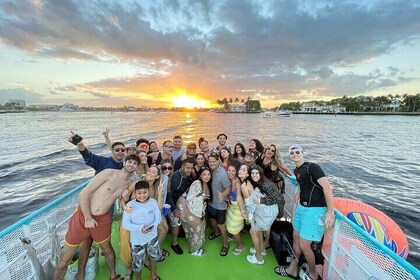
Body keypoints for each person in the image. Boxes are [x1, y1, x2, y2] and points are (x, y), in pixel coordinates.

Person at [54, 154, 140, 280]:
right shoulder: (108, 173)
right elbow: (84, 193)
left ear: (137, 167)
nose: (131, 165)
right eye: (129, 161)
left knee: (107, 250)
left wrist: (126, 199)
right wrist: (88, 218)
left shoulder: (129, 184)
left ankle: (113, 275)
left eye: (134, 163)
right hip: (83, 216)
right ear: (124, 162)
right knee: (64, 260)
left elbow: (125, 199)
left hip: (103, 218)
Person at [274, 145, 335, 280]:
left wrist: (330, 212)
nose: (295, 154)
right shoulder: (297, 170)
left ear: (303, 153)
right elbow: (305, 183)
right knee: (295, 237)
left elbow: (327, 187)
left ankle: (313, 273)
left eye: (297, 152)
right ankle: (292, 269)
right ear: (290, 155)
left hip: (315, 211)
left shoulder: (312, 167)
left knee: (304, 244)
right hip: (302, 208)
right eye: (292, 152)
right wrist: (300, 192)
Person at [122, 181, 162, 280]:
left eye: (145, 192)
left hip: (152, 236)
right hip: (137, 240)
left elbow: (158, 217)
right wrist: (140, 228)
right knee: (137, 263)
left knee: (153, 257)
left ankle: (153, 274)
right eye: (139, 193)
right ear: (135, 193)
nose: (142, 195)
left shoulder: (153, 202)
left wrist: (154, 226)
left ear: (149, 192)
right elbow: (125, 224)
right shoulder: (130, 205)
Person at [247, 166, 284, 265]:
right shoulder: (259, 182)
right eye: (252, 173)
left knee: (253, 231)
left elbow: (279, 198)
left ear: (261, 174)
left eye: (256, 173)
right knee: (257, 228)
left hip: (270, 212)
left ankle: (259, 258)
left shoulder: (265, 184)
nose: (254, 175)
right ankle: (262, 249)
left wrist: (261, 200)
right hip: (265, 210)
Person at [176, 167, 211, 256]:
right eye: (204, 174)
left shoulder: (206, 184)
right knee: (197, 227)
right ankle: (193, 250)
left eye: (208, 174)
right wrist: (202, 198)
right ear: (200, 175)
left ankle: (194, 245)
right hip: (184, 205)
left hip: (194, 206)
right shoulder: (197, 183)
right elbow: (189, 199)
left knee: (200, 225)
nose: (206, 176)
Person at [166, 158, 194, 255]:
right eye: (187, 168)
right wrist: (173, 210)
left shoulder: (189, 175)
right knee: (176, 222)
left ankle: (180, 232)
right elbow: (168, 195)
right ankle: (174, 243)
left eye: (191, 168)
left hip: (182, 201)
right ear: (182, 167)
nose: (189, 170)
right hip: (173, 203)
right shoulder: (176, 178)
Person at [207, 153, 231, 257]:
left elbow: (228, 187)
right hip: (211, 202)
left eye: (214, 161)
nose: (212, 163)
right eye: (210, 161)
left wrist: (223, 195)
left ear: (218, 161)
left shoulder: (223, 174)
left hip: (221, 204)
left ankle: (225, 244)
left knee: (221, 225)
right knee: (212, 219)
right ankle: (216, 232)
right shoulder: (210, 170)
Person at [225, 161, 247, 255]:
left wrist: (242, 211)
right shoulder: (229, 179)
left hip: (239, 206)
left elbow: (238, 197)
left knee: (232, 227)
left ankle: (241, 245)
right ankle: (234, 236)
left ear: (237, 171)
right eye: (229, 170)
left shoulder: (237, 182)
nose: (230, 172)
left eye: (233, 171)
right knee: (228, 222)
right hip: (231, 206)